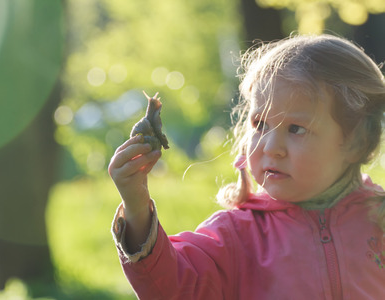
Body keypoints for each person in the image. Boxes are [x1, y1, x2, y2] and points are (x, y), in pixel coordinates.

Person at [108, 34, 385, 299]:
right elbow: (173, 289)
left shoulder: (379, 222)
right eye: (259, 125)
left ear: (356, 141)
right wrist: (136, 207)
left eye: (296, 129)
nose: (270, 147)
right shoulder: (235, 237)